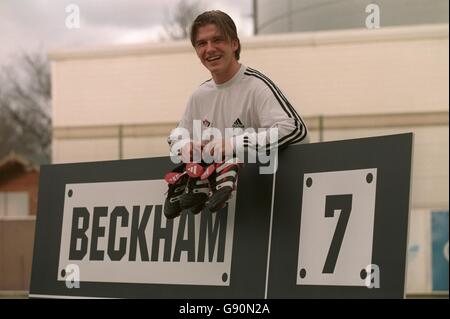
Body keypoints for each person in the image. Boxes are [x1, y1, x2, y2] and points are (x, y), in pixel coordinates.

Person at [164, 10, 309, 219]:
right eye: (201, 43)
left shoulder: (256, 86)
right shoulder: (199, 95)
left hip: (268, 211)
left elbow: (296, 130)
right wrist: (185, 146)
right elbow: (176, 136)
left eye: (217, 40)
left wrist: (235, 144)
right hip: (222, 223)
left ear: (234, 44)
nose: (210, 49)